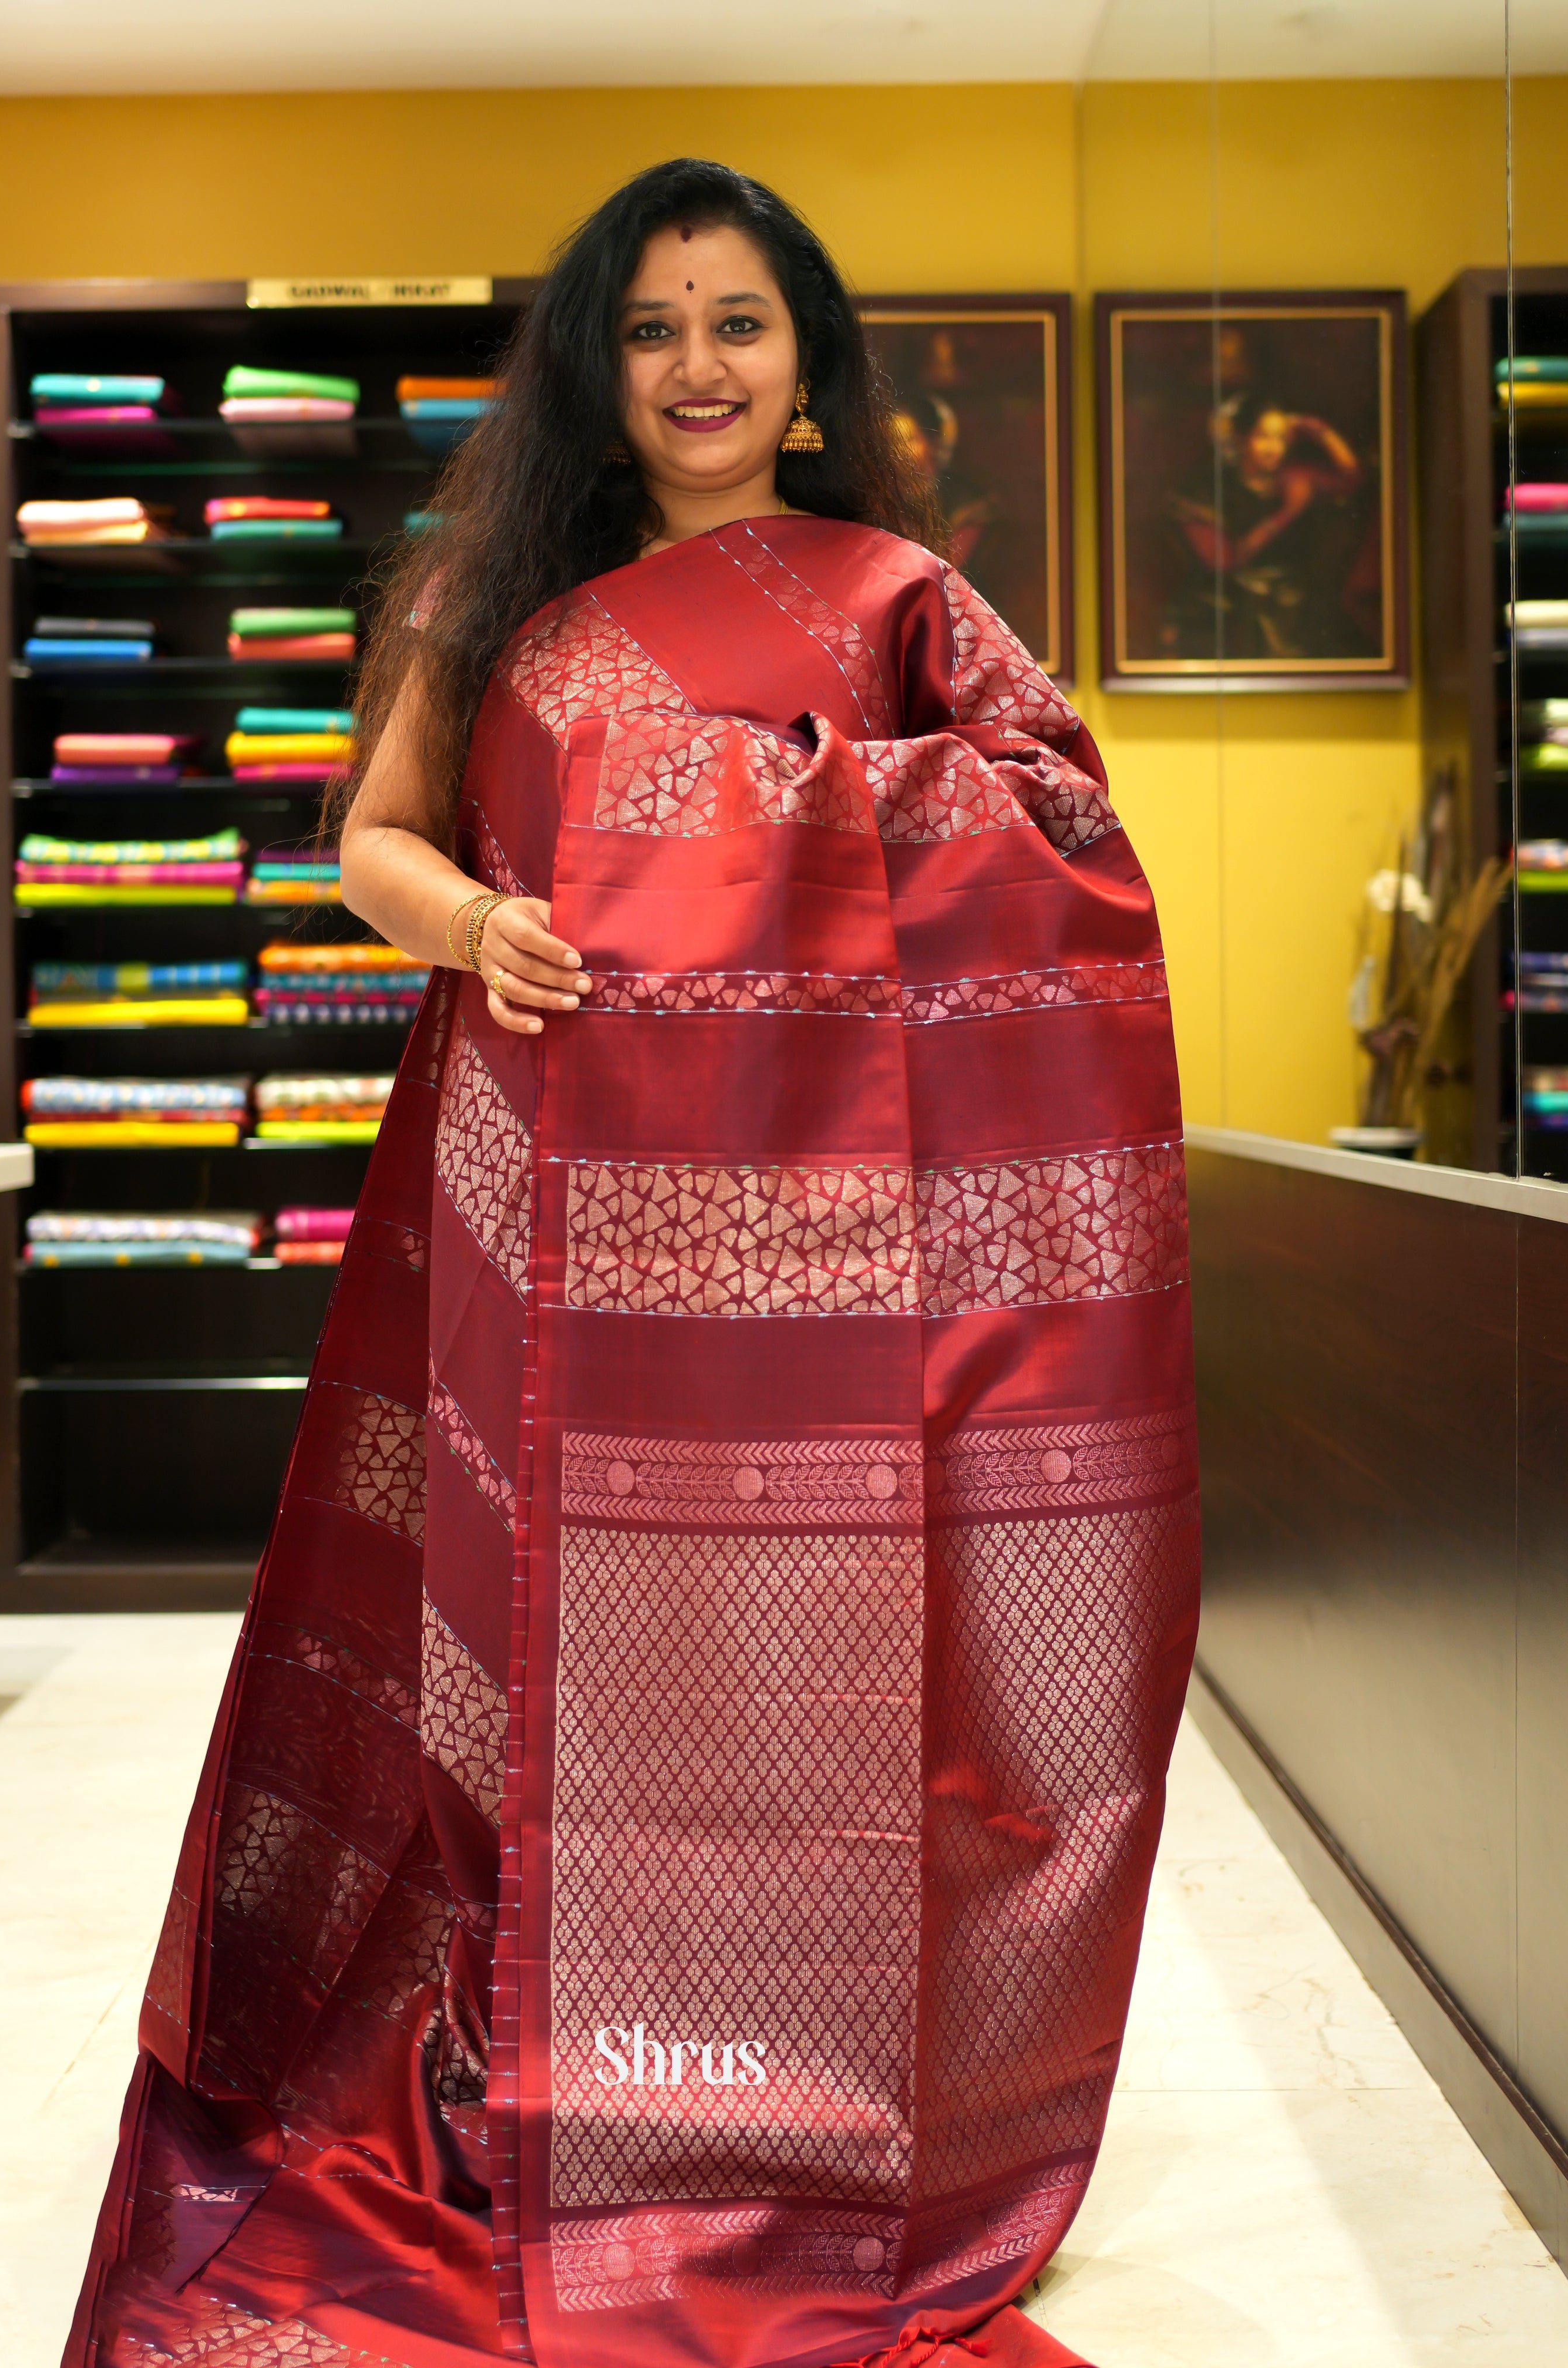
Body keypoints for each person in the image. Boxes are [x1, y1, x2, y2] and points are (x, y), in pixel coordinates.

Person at [66, 159, 1197, 2368]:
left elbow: (1063, 837)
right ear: (596, 363)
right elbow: (372, 837)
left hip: (832, 1252)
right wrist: (477, 917)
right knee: (518, 1637)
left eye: (737, 323)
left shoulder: (892, 599)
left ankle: (825, 2106)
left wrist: (820, 816)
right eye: (653, 324)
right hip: (545, 1194)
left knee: (821, 1663)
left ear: (804, 366)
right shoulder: (491, 589)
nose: (694, 365)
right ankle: (544, 2066)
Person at [1165, 397, 1369, 661]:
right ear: (1240, 439)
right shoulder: (1215, 488)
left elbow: (1353, 479)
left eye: (1281, 439)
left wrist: (1322, 433)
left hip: (1296, 606)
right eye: (1263, 437)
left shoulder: (1293, 477)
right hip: (1238, 608)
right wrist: (1288, 512)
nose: (1274, 448)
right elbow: (1229, 559)